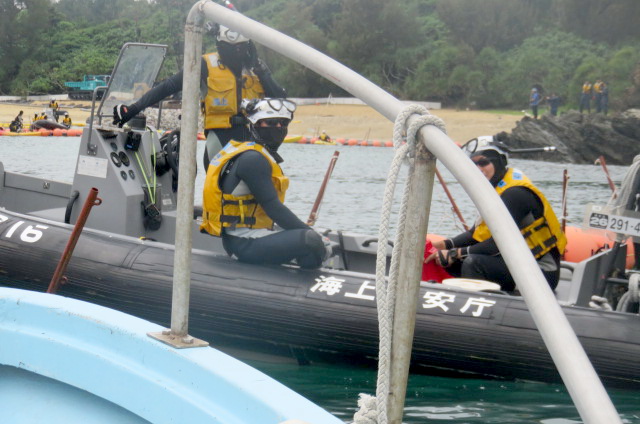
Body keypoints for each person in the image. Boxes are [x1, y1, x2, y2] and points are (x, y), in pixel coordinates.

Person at [112, 24, 286, 171]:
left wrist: (261, 71)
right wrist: (133, 108)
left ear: (248, 47)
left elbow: (281, 100)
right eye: (230, 48)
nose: (236, 53)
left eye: (240, 48)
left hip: (255, 138)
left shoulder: (257, 69)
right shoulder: (205, 65)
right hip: (220, 138)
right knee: (220, 191)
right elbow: (169, 86)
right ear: (219, 44)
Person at [200, 98, 330, 269]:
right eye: (270, 123)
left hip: (252, 234)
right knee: (310, 240)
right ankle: (308, 278)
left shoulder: (251, 153)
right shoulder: (253, 159)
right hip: (243, 242)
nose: (278, 128)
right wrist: (315, 236)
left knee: (309, 236)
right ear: (254, 125)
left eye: (282, 123)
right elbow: (274, 208)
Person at [425, 144, 567, 292]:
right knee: (450, 261)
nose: (479, 168)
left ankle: (478, 307)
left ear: (499, 162)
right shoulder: (497, 190)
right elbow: (476, 234)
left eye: (483, 162)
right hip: (515, 264)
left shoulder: (515, 194)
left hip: (540, 272)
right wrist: (443, 245)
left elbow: (497, 244)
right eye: (473, 164)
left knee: (473, 263)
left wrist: (455, 252)